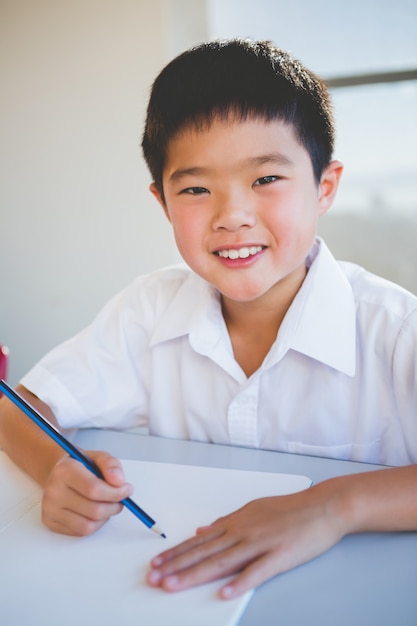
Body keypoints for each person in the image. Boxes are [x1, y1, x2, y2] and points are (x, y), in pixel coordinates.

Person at [0, 38, 416, 600]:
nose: (232, 216)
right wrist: (56, 469)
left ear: (325, 186)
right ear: (163, 203)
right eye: (196, 188)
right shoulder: (148, 310)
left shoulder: (394, 329)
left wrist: (332, 505)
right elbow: (18, 409)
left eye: (266, 179)